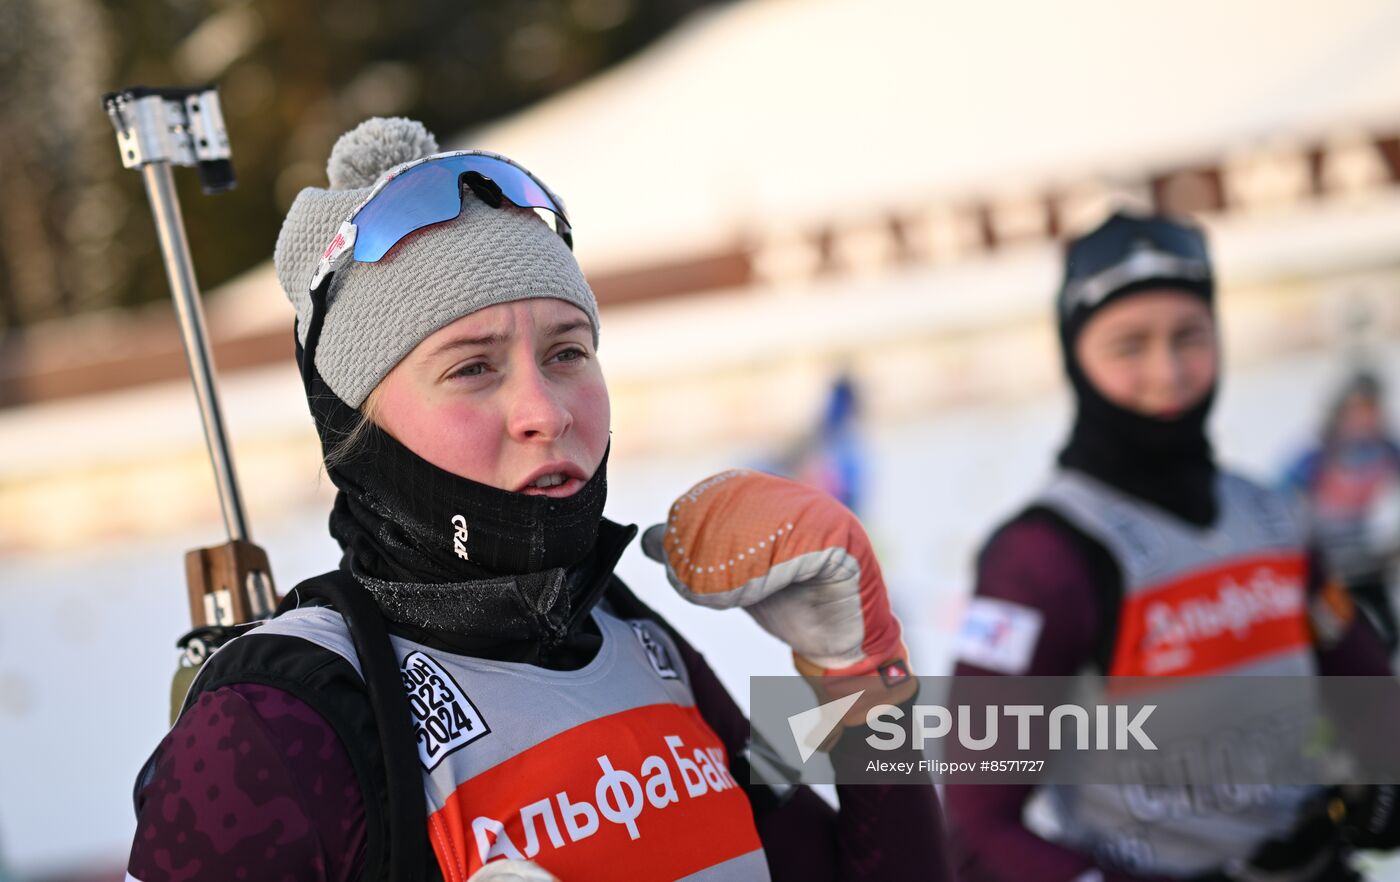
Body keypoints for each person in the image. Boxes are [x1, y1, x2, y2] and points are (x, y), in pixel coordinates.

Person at [123, 117, 946, 882]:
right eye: (472, 367)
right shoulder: (274, 727)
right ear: (361, 427)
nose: (546, 412)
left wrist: (859, 679)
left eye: (567, 352)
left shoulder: (633, 638)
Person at [945, 211, 1398, 881]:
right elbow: (973, 825)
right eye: (1130, 346)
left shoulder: (1271, 514)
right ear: (1075, 355)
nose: (1169, 370)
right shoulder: (1040, 558)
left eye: (1190, 336)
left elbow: (1365, 692)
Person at [1284, 370, 1400, 653]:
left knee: (1387, 636)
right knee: (1335, 642)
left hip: (1370, 564)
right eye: (1360, 408)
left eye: (1373, 408)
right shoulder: (1320, 455)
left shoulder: (1385, 449)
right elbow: (1279, 495)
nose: (1367, 418)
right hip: (1331, 567)